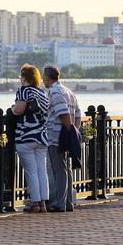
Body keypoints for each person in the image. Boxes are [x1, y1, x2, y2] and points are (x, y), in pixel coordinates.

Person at [11, 64, 50, 213]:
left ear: (24, 77)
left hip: (26, 136)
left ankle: (34, 203)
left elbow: (19, 109)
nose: (20, 79)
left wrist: (13, 109)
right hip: (41, 137)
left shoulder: (24, 90)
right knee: (41, 170)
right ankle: (43, 203)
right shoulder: (42, 93)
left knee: (31, 171)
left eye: (21, 76)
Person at [43, 65, 81, 213]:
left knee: (58, 169)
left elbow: (62, 112)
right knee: (66, 169)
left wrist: (69, 130)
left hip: (56, 135)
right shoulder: (69, 91)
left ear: (47, 77)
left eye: (44, 78)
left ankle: (59, 203)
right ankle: (68, 202)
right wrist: (75, 130)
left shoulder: (54, 91)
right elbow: (77, 113)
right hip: (66, 134)